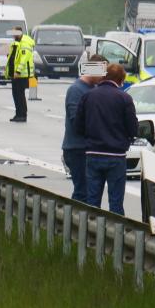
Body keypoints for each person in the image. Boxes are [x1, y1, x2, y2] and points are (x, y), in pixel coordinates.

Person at [74, 63, 138, 214]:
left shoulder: (88, 96)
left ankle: (90, 233)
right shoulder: (125, 98)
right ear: (121, 80)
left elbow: (78, 126)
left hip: (93, 154)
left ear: (103, 76)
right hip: (116, 156)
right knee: (115, 202)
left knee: (92, 202)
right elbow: (133, 129)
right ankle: (115, 234)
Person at [62, 55, 108, 201]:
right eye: (102, 72)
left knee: (90, 192)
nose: (104, 77)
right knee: (83, 192)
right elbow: (76, 121)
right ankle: (74, 221)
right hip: (77, 149)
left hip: (88, 149)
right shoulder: (76, 90)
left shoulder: (93, 89)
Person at [3, 25, 35, 122]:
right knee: (16, 94)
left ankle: (22, 115)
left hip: (22, 74)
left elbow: (23, 59)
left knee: (19, 95)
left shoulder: (25, 43)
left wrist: (18, 71)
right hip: (17, 75)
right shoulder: (17, 42)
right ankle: (18, 114)